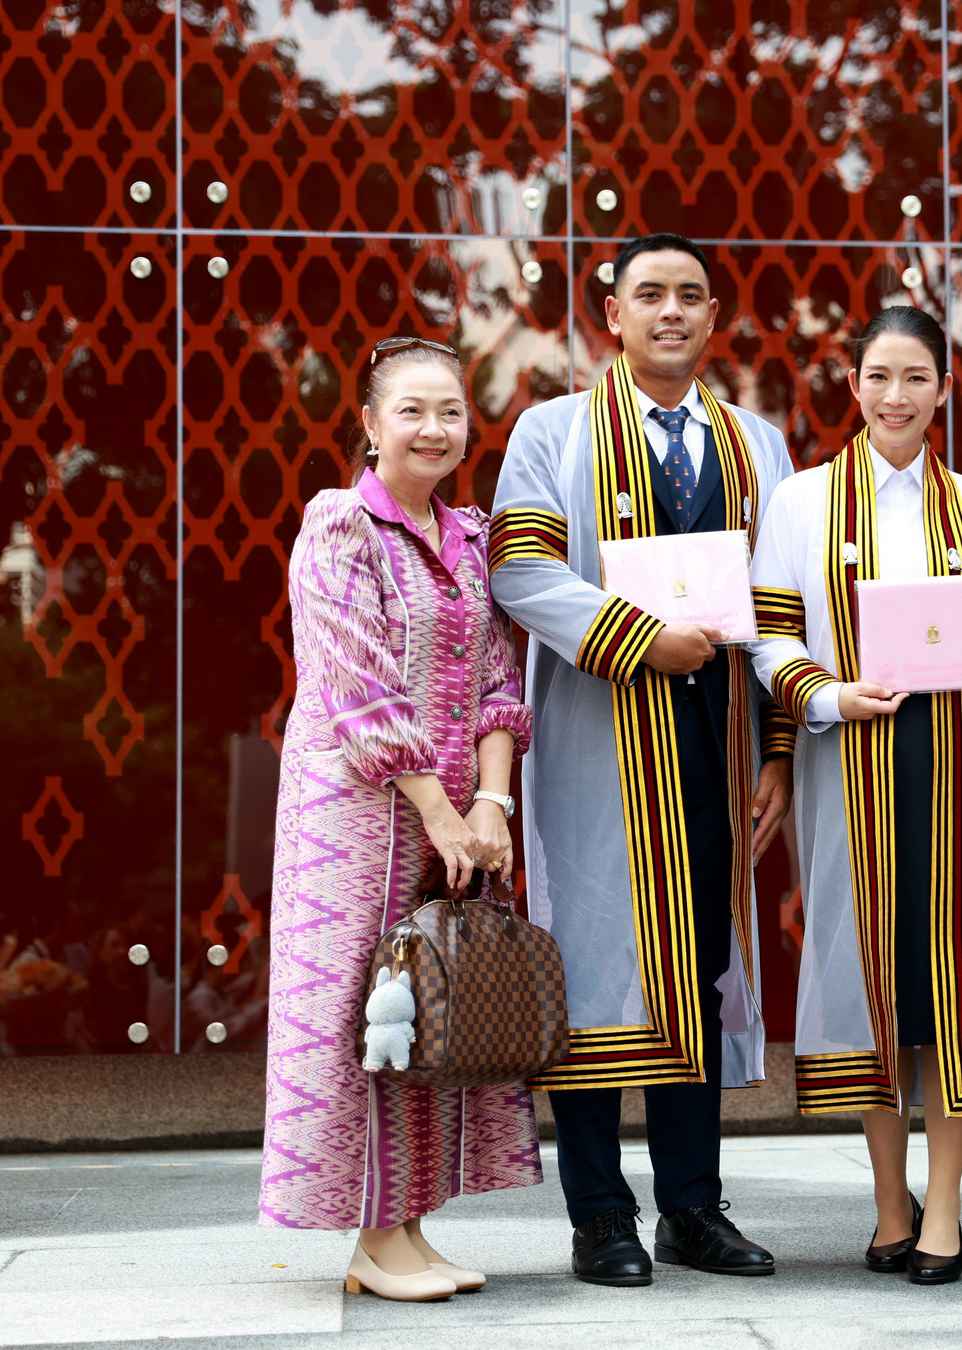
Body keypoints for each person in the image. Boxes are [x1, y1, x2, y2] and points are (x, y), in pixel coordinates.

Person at [490, 233, 795, 1285]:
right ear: (609, 312)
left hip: (718, 745)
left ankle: (693, 1208)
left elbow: (787, 609)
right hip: (598, 745)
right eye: (650, 293)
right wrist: (637, 633)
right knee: (590, 975)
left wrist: (783, 752)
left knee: (696, 976)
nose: (672, 311)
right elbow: (521, 573)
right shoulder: (553, 432)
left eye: (692, 296)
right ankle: (599, 1214)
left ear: (715, 319)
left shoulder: (760, 444)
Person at [747, 306, 962, 1285]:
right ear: (854, 383)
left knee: (954, 978)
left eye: (915, 377)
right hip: (850, 757)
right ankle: (888, 1205)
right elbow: (768, 639)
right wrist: (827, 695)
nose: (895, 396)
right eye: (879, 375)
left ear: (943, 389)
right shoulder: (799, 504)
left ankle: (947, 1211)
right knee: (872, 977)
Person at [259, 336, 541, 1302]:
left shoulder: (470, 535)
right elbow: (358, 688)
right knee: (368, 1013)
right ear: (370, 425)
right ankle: (372, 1241)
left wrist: (491, 804)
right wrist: (440, 811)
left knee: (433, 1009)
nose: (433, 429)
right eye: (410, 411)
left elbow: (504, 682)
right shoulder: (340, 526)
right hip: (358, 818)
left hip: (460, 814)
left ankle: (409, 1231)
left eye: (450, 412)